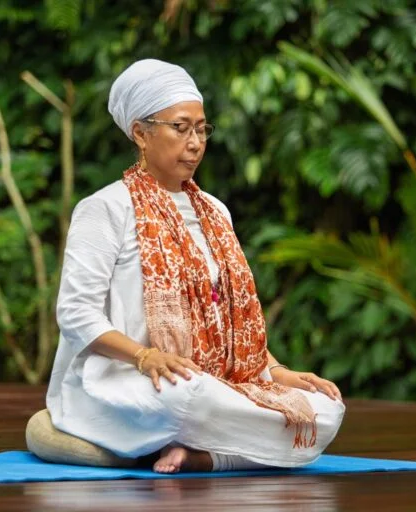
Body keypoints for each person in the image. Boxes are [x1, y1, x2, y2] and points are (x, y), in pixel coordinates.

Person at [46, 58, 345, 474]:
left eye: (202, 129)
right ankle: (224, 451)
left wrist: (275, 372)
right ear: (140, 133)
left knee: (324, 407)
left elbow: (228, 318)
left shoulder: (215, 212)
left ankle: (203, 457)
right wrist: (145, 357)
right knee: (188, 395)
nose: (195, 143)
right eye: (181, 128)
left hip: (211, 379)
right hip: (131, 378)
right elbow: (76, 313)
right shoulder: (105, 209)